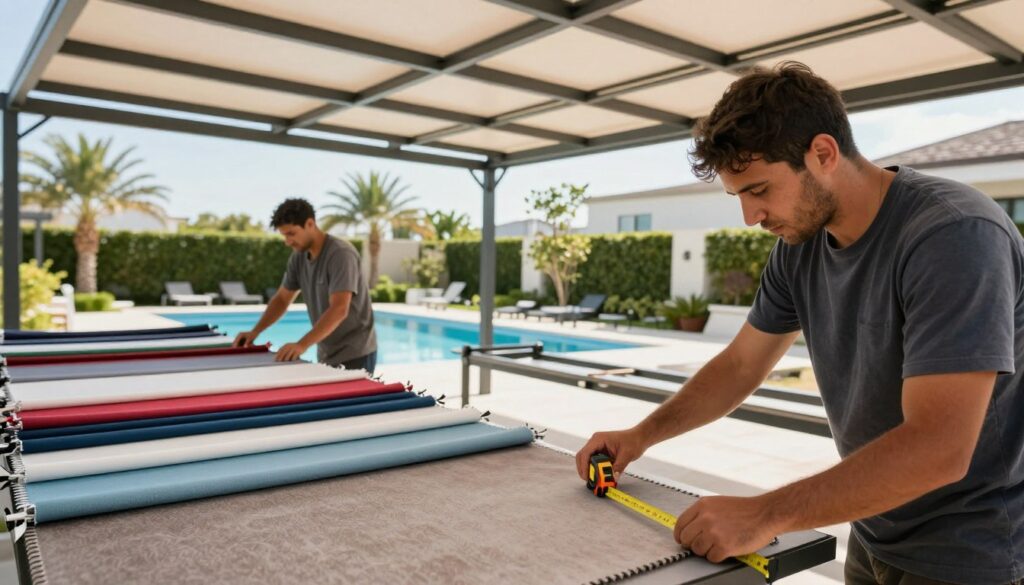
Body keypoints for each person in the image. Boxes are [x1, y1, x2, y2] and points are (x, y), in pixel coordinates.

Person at [576, 62, 1023, 585]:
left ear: (824, 154)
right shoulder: (799, 246)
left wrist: (764, 514)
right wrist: (641, 436)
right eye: (739, 196)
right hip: (874, 528)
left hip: (974, 551)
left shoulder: (953, 234)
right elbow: (741, 365)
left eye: (760, 190)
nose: (750, 217)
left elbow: (939, 447)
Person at [233, 198, 377, 373]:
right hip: (326, 352)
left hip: (356, 354)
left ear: (310, 224)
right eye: (284, 235)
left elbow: (339, 308)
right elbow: (282, 299)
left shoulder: (340, 254)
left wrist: (301, 345)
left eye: (291, 233)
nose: (287, 241)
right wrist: (255, 332)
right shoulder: (299, 257)